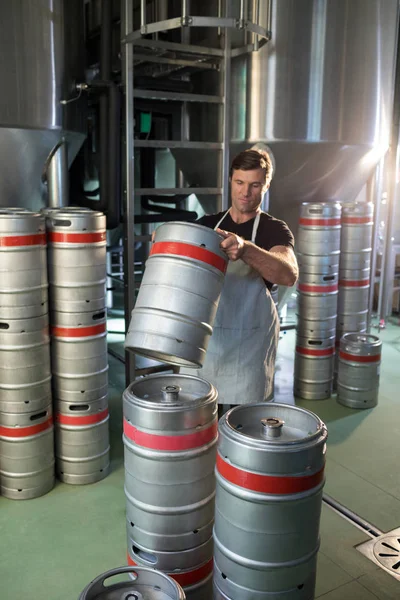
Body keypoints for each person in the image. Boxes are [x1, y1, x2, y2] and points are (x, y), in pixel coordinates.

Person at [182, 148, 298, 413]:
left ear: (266, 185)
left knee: (242, 429)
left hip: (248, 354)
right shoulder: (208, 225)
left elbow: (288, 274)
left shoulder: (273, 229)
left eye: (255, 185)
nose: (246, 192)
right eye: (240, 183)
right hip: (207, 348)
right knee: (201, 425)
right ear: (231, 181)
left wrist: (246, 250)